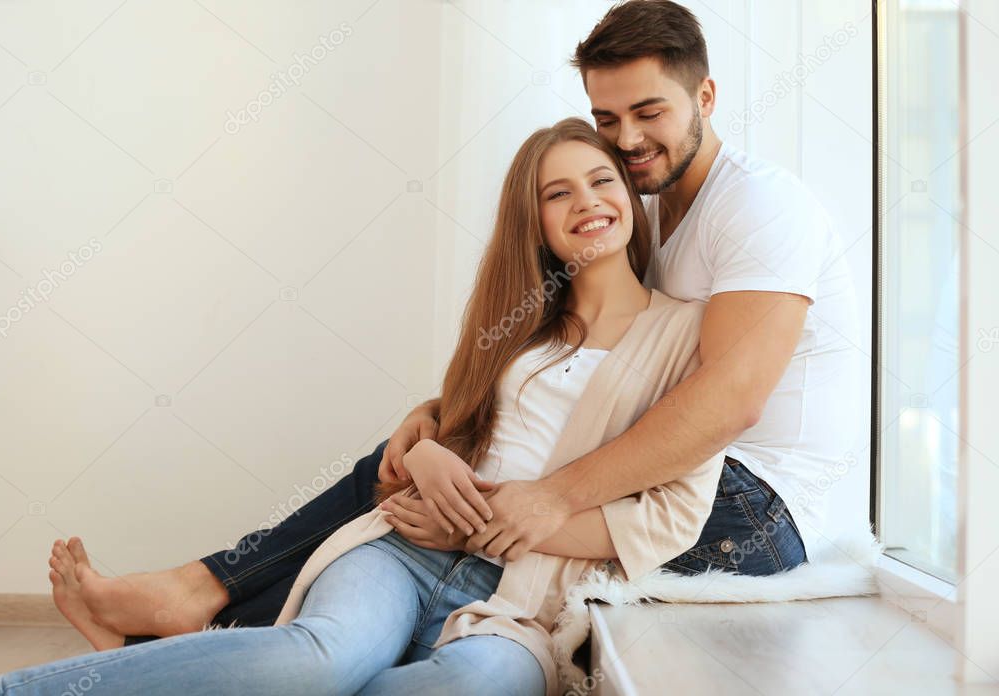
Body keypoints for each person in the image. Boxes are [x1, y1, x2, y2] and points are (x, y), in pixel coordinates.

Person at [50, 0, 854, 653]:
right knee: (416, 468)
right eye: (606, 118)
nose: (629, 139)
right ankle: (214, 612)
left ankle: (200, 597)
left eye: (649, 112)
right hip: (684, 472)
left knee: (444, 504)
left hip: (753, 511)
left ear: (706, 99)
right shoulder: (646, 209)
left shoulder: (759, 206)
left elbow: (732, 399)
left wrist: (544, 498)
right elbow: (588, 370)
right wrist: (437, 420)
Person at [0, 117, 727, 696]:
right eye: (557, 192)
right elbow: (460, 422)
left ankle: (161, 666)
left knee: (464, 687)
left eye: (601, 182)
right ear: (534, 220)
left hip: (523, 606)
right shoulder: (519, 319)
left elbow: (670, 518)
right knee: (323, 657)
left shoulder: (684, 334)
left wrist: (483, 528)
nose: (587, 203)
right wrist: (429, 447)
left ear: (630, 198)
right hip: (403, 552)